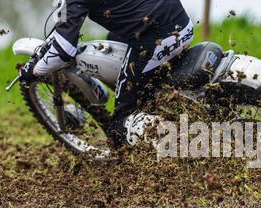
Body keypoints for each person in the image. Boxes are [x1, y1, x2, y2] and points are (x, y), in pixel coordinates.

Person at [19, 0, 194, 146]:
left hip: (158, 37)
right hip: (179, 20)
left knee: (119, 125)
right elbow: (63, 23)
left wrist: (32, 71)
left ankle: (172, 140)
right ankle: (151, 102)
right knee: (113, 39)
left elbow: (62, 53)